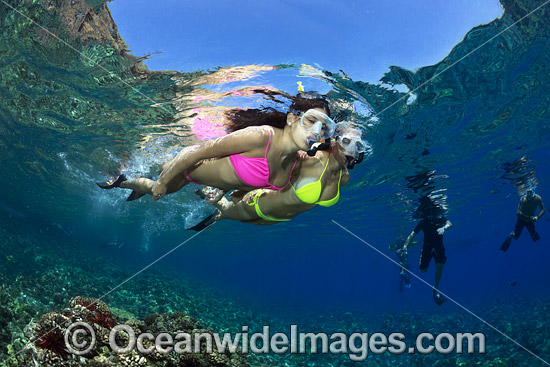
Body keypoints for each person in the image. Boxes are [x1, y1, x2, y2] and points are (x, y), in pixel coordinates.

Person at [97, 92, 336, 201]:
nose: (316, 131)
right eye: (311, 120)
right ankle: (123, 181)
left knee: (160, 186)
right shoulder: (261, 137)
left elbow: (245, 182)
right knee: (155, 189)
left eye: (324, 128)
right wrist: (161, 183)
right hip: (187, 166)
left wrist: (225, 192)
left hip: (199, 178)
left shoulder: (294, 164)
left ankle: (141, 181)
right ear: (292, 119)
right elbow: (197, 151)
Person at [188, 122, 369, 229]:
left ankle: (219, 212)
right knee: (228, 212)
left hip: (277, 219)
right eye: (347, 142)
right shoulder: (312, 159)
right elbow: (270, 171)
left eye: (358, 146)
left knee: (241, 221)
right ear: (335, 141)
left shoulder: (344, 178)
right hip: (257, 204)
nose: (352, 150)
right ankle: (210, 196)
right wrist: (226, 189)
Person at [402, 196, 452, 306]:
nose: (431, 216)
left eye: (433, 213)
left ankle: (436, 288)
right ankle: (422, 255)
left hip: (439, 246)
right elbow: (412, 234)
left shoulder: (440, 217)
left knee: (440, 267)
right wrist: (405, 246)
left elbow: (449, 223)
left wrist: (444, 228)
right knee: (423, 270)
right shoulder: (423, 222)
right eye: (429, 214)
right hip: (427, 247)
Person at [501, 186, 545, 251]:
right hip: (521, 220)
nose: (529, 194)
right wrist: (530, 217)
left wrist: (537, 217)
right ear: (526, 192)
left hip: (530, 221)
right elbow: (518, 213)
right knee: (516, 237)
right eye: (528, 192)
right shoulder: (522, 199)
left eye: (530, 192)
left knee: (534, 237)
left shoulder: (538, 198)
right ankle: (511, 235)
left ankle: (541, 248)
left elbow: (543, 209)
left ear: (533, 191)